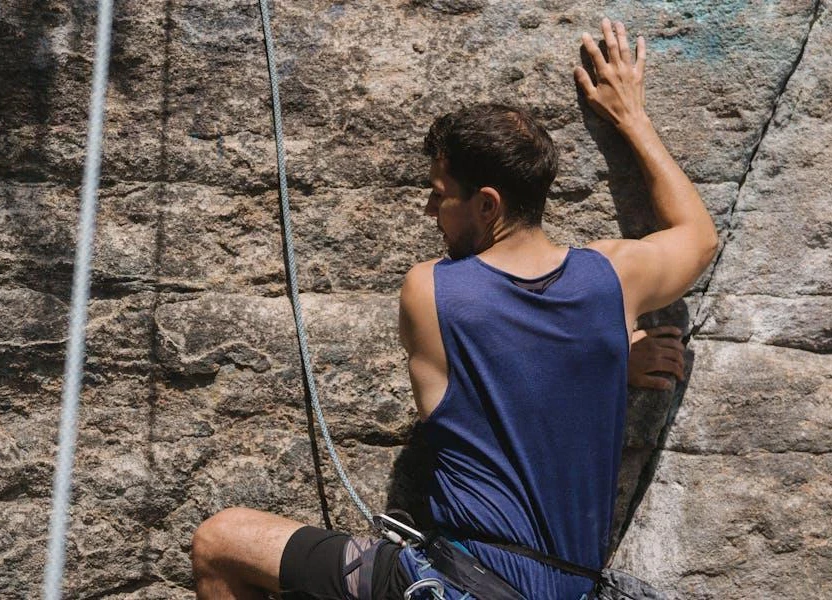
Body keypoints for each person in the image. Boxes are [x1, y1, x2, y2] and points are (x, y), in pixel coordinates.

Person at [190, 17, 715, 600]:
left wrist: (609, 359)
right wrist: (632, 118)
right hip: (570, 589)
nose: (428, 209)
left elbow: (497, 360)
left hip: (457, 586)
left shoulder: (431, 290)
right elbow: (697, 236)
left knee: (221, 541)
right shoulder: (615, 279)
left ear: (487, 204)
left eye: (441, 194)